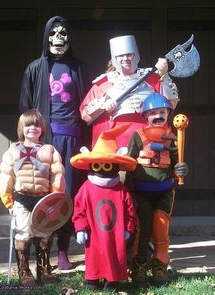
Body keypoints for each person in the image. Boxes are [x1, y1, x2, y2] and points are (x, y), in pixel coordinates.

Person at [19, 16, 91, 269]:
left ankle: (62, 252)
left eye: (64, 33)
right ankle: (39, 256)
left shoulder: (80, 68)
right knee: (39, 193)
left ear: (70, 37)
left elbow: (89, 108)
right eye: (54, 33)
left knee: (66, 194)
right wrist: (26, 144)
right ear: (46, 37)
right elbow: (25, 110)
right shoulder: (35, 69)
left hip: (72, 139)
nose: (59, 38)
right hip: (43, 142)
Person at [124, 93, 188, 288]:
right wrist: (128, 192)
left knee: (161, 230)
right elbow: (128, 165)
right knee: (142, 231)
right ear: (145, 116)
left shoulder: (175, 137)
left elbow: (177, 164)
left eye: (162, 111)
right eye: (153, 113)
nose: (158, 116)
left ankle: (160, 267)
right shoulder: (137, 136)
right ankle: (139, 268)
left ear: (168, 113)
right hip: (141, 194)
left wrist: (181, 169)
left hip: (164, 193)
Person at [0, 109, 66, 286]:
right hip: (22, 199)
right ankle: (24, 272)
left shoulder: (49, 150)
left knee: (44, 235)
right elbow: (6, 176)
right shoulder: (13, 150)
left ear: (42, 128)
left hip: (44, 200)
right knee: (23, 235)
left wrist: (56, 198)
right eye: (28, 125)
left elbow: (57, 175)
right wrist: (8, 200)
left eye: (36, 124)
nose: (32, 128)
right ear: (22, 127)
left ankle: (44, 270)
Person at [70, 124, 139, 292]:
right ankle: (92, 280)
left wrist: (128, 228)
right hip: (93, 232)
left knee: (114, 256)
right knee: (94, 255)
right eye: (98, 165)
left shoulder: (121, 189)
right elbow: (79, 210)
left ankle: (112, 281)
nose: (102, 168)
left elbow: (130, 210)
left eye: (107, 165)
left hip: (115, 234)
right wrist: (80, 228)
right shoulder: (86, 187)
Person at [80, 34, 178, 148]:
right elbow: (86, 117)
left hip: (147, 142)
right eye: (121, 56)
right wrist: (103, 104)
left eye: (129, 55)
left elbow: (171, 104)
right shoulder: (102, 84)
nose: (125, 59)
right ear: (114, 58)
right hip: (113, 145)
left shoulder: (151, 79)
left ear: (135, 55)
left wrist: (163, 75)